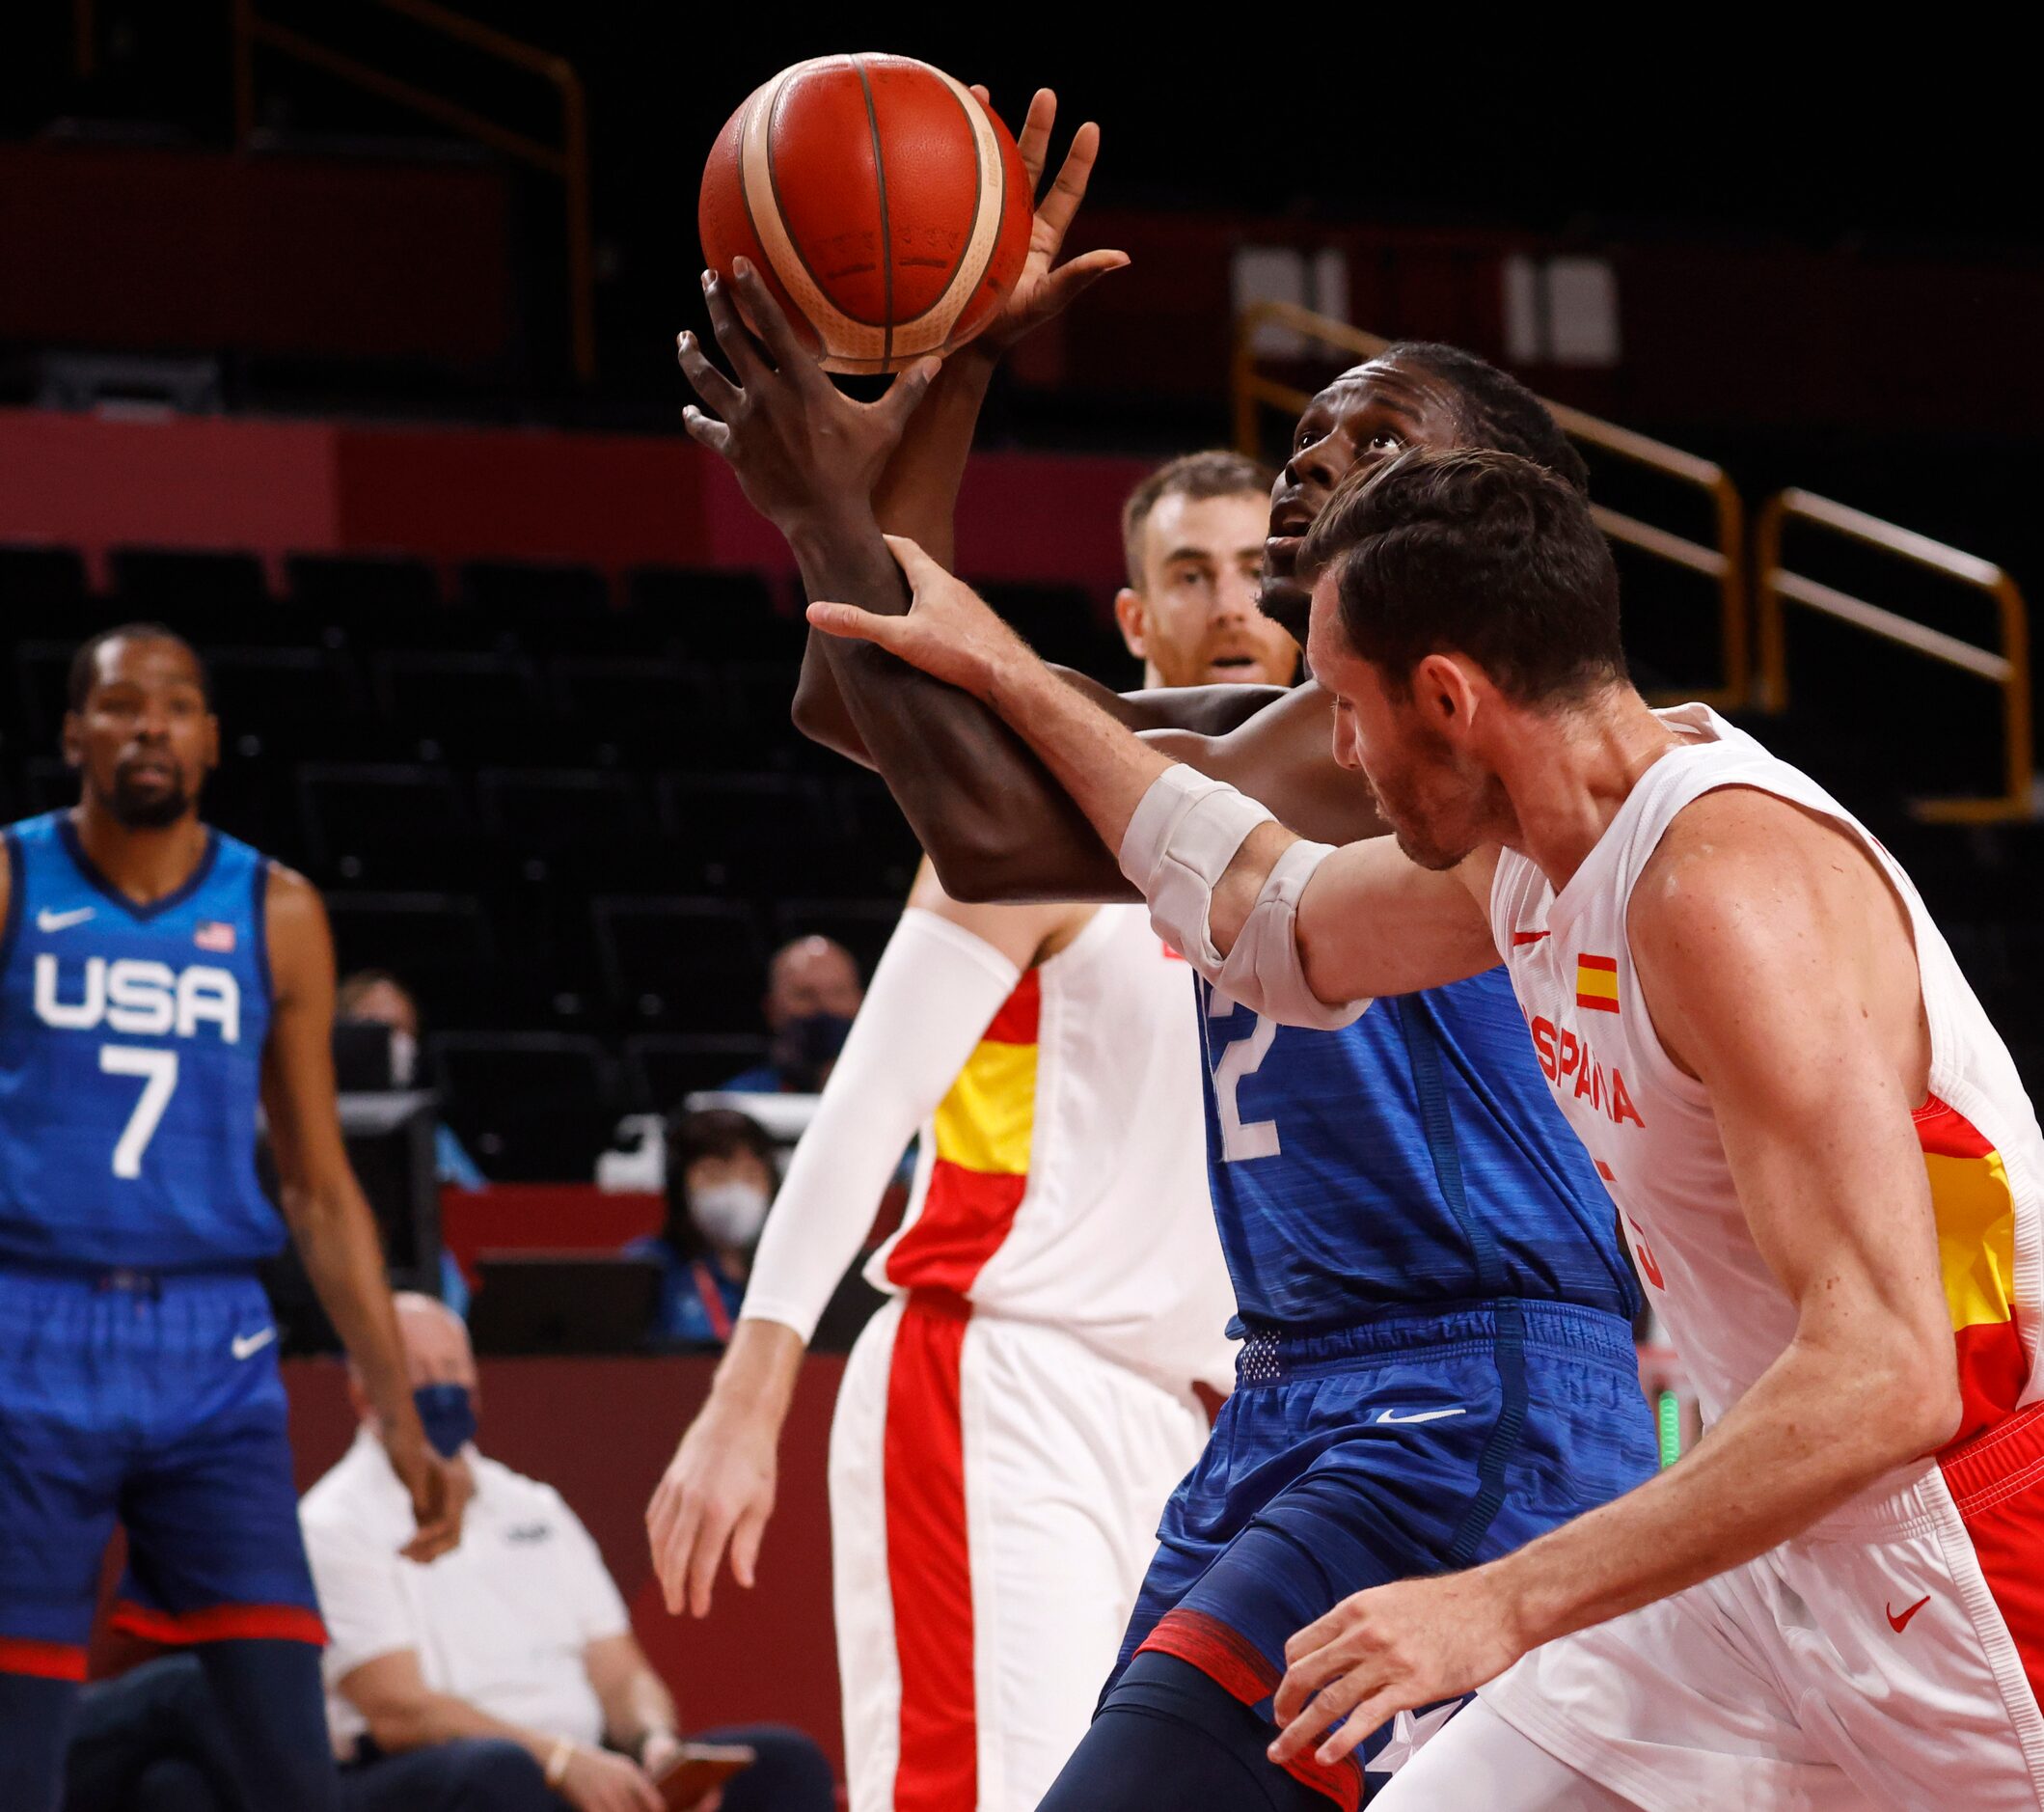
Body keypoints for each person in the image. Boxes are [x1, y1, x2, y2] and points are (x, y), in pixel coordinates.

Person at [813, 443, 2044, 1808]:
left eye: (1345, 707)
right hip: (1762, 1555)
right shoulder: (1523, 863)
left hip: (1965, 1545)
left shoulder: (1720, 887)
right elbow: (1259, 912)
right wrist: (997, 662)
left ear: (1447, 697)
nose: (1332, 752)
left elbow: (1886, 1372)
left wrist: (1495, 1602)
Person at [661, 130, 1657, 1805]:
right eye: (1306, 432)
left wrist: (831, 497)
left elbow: (984, 814)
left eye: (1371, 438)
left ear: (1490, 520)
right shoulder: (1285, 732)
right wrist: (947, 380)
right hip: (1291, 1389)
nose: (1305, 462)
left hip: (1454, 1382)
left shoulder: (1433, 728)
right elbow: (875, 700)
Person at [651, 437, 1284, 1812]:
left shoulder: (1340, 863)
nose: (1233, 603)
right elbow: (864, 1104)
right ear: (1134, 617)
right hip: (1003, 1380)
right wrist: (747, 1390)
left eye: (1261, 571)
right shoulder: (1037, 820)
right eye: (1192, 572)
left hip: (1207, 1429)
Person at [0, 624, 467, 1812]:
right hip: (28, 1325)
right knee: (17, 1756)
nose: (147, 725)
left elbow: (317, 1184)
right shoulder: (11, 880)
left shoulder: (279, 909)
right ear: (73, 734)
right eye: (118, 705)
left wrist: (401, 1415)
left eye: (175, 706)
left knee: (284, 1751)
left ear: (208, 741)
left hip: (214, 1344)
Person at [302, 1293, 834, 1812]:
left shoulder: (535, 1507)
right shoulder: (333, 1522)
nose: (439, 1385)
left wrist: (656, 1745)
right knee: (502, 1775)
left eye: (450, 1367)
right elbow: (401, 1713)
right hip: (436, 1774)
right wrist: (559, 1763)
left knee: (787, 1762)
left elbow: (620, 1672)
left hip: (582, 1763)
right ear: (363, 1393)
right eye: (414, 1370)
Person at [626, 1109, 777, 1347]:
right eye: (714, 1173)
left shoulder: (783, 1272)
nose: (735, 1190)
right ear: (680, 1185)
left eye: (750, 1175)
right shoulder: (649, 1266)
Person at [720, 936, 863, 1093]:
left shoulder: (888, 1095)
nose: (825, 1007)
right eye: (805, 994)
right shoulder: (739, 1100)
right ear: (772, 1009)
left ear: (861, 1003)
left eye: (838, 993)